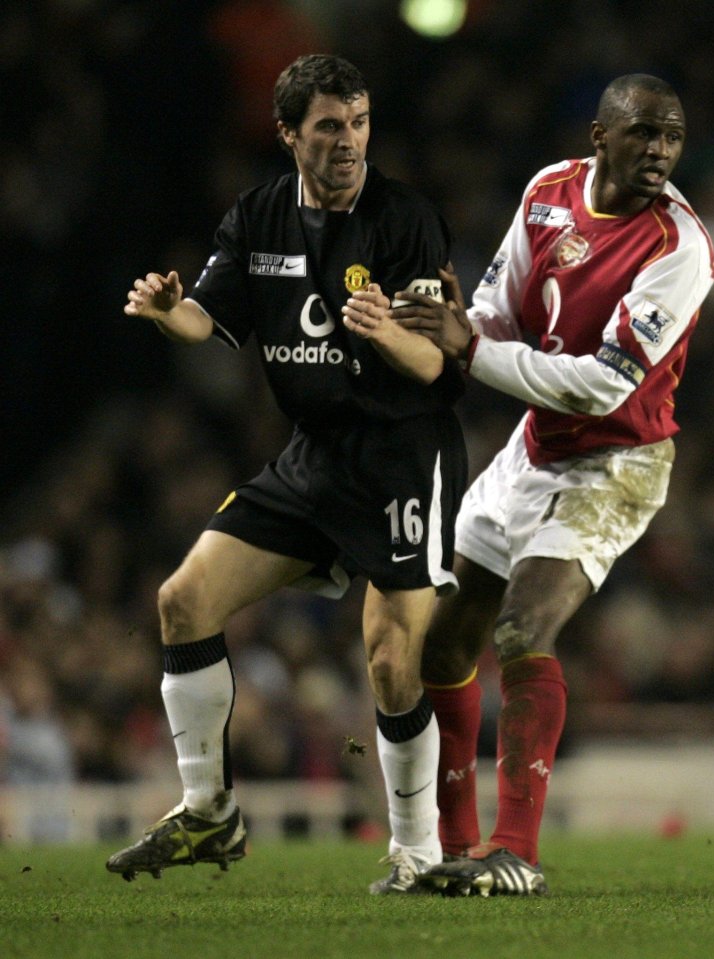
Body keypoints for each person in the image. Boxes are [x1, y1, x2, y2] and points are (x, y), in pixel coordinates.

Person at [105, 54, 468, 895]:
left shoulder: (404, 217)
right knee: (181, 600)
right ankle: (208, 811)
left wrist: (386, 332)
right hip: (312, 457)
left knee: (387, 660)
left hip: (401, 457)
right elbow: (206, 318)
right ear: (288, 134)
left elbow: (437, 367)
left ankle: (413, 851)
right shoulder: (259, 215)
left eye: (360, 122)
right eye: (330, 127)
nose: (349, 143)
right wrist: (169, 313)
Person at [344, 73, 714, 896]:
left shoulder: (678, 246)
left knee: (520, 628)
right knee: (440, 644)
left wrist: (468, 351)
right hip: (530, 450)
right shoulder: (548, 192)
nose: (658, 150)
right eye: (643, 133)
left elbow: (602, 386)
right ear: (599, 136)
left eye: (671, 137)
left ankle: (515, 851)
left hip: (614, 462)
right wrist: (448, 323)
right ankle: (453, 848)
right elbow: (500, 309)